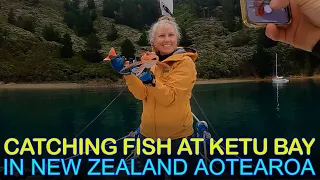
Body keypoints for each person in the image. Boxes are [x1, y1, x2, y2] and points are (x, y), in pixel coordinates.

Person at [109, 16, 203, 180]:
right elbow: (141, 94)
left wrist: (150, 80)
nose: (167, 40)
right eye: (161, 36)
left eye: (171, 35)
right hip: (148, 137)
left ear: (177, 38)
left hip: (179, 139)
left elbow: (170, 98)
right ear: (153, 41)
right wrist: (127, 74)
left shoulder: (185, 63)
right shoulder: (151, 63)